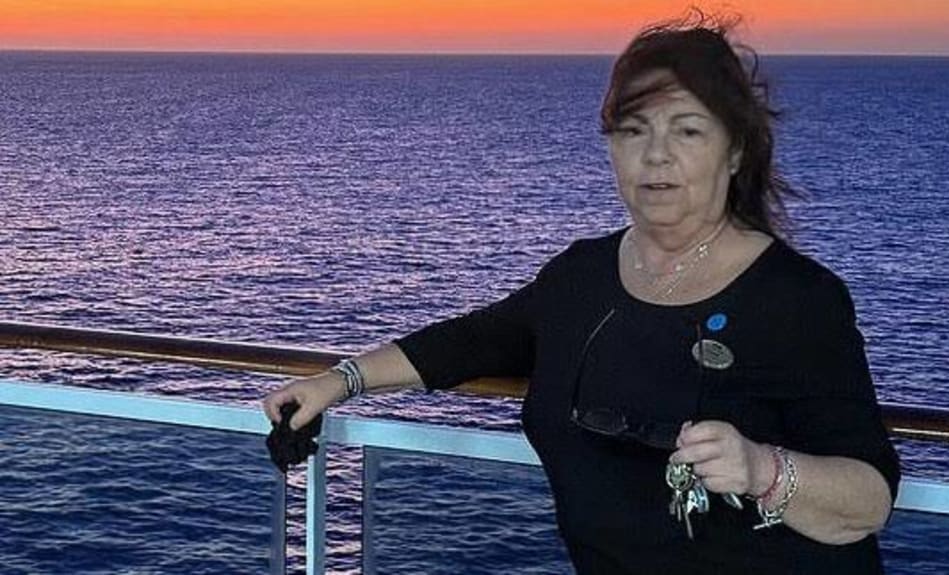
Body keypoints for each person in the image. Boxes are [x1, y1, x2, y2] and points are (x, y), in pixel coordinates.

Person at [263, 11, 900, 574]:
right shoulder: (582, 276)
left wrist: (762, 470)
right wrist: (336, 383)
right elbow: (474, 341)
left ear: (734, 151)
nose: (656, 156)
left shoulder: (797, 299)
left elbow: (869, 500)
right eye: (633, 131)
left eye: (687, 131)